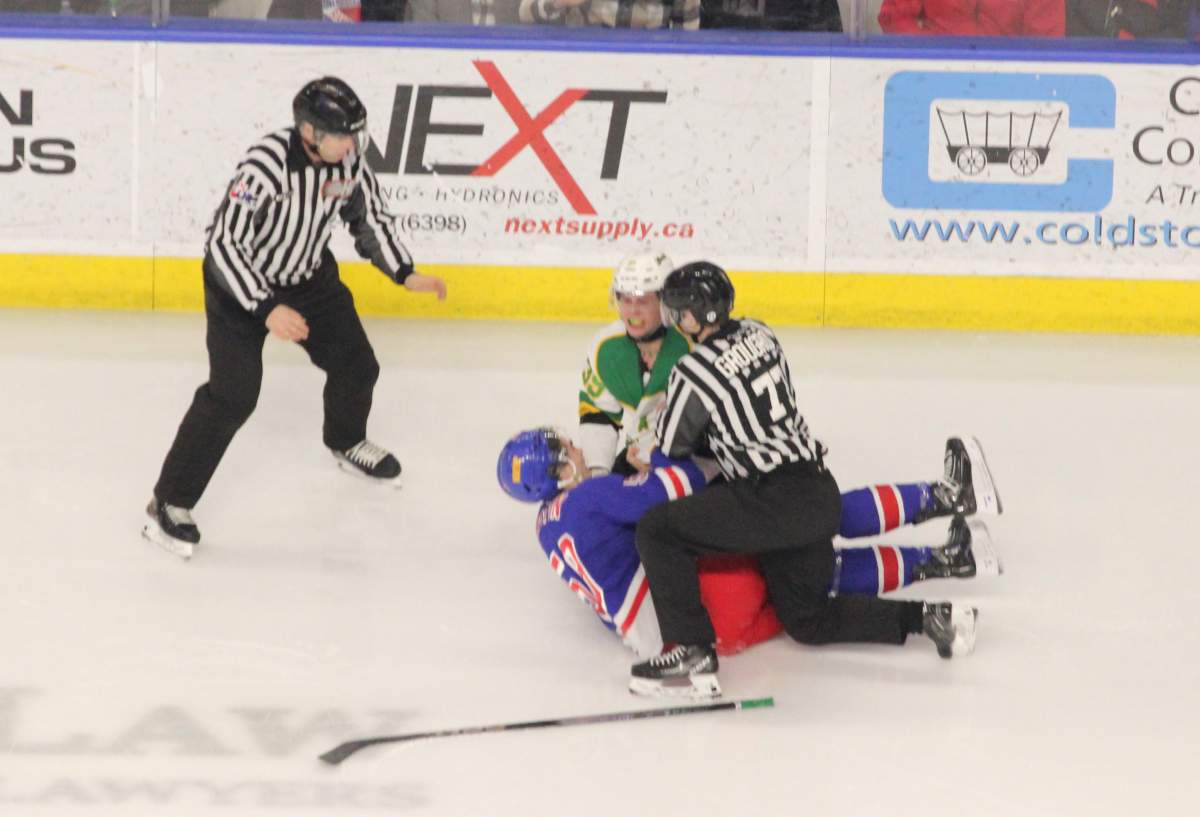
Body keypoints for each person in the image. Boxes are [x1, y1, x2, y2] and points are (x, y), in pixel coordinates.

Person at [631, 261, 983, 698]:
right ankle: (932, 617)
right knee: (807, 620)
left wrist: (646, 433)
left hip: (767, 499)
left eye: (677, 311)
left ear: (694, 316)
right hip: (813, 489)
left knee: (658, 529)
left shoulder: (693, 372)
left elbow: (672, 443)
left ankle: (690, 648)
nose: (673, 320)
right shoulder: (761, 332)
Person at [143, 77, 447, 560]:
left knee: (357, 365)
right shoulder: (265, 166)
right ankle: (168, 502)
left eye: (356, 134)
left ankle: (345, 440)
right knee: (232, 396)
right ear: (309, 131)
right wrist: (266, 308)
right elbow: (222, 247)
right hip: (241, 288)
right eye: (345, 135)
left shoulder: (346, 161)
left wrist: (404, 272)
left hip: (309, 281)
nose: (354, 145)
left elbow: (368, 219)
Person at [497, 428, 1002, 659]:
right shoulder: (588, 497)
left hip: (692, 635)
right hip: (699, 608)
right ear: (561, 470)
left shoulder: (545, 525)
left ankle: (946, 561)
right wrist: (667, 453)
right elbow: (676, 489)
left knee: (809, 575)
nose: (578, 447)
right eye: (566, 448)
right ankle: (946, 499)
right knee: (801, 519)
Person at [579, 251, 692, 477]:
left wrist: (658, 466)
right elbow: (599, 416)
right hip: (641, 452)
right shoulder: (605, 348)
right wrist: (599, 476)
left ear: (666, 302)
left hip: (694, 460)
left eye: (642, 300)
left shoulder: (693, 345)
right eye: (625, 299)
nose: (632, 311)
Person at [877, 0, 1064, 35]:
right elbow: (893, 18)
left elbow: (1046, 43)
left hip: (1007, 82)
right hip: (932, 76)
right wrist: (934, 52)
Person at [519, 0, 700, 28]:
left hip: (649, 69)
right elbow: (525, 12)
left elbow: (687, 38)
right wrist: (558, 2)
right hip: (581, 65)